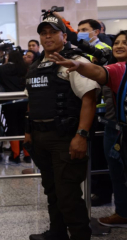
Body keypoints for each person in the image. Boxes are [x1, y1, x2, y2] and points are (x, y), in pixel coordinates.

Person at [24, 15, 99, 240]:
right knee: (52, 191)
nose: (47, 36)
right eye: (43, 33)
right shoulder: (36, 66)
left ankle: (80, 235)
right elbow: (32, 101)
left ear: (64, 36)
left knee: (68, 195)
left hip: (65, 137)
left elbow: (89, 99)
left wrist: (81, 135)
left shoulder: (75, 61)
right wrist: (28, 133)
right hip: (40, 137)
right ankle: (56, 233)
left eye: (52, 32)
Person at [52, 30, 127, 229]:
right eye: (117, 42)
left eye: (125, 43)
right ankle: (123, 213)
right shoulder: (117, 68)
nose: (120, 45)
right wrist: (78, 64)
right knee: (117, 174)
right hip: (115, 127)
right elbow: (98, 72)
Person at [0, 50, 30, 163]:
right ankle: (27, 154)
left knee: (12, 127)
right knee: (24, 126)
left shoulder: (2, 69)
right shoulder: (25, 67)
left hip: (9, 101)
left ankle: (15, 155)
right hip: (24, 100)